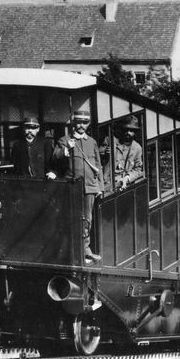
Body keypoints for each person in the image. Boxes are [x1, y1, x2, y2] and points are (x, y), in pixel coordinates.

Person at [52, 110, 104, 264]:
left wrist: (100, 186)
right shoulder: (65, 140)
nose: (81, 126)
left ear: (88, 124)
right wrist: (66, 149)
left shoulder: (91, 141)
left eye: (85, 123)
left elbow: (97, 164)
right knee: (72, 218)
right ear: (73, 124)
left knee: (87, 219)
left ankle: (86, 251)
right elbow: (55, 158)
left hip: (90, 187)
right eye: (78, 122)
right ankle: (73, 250)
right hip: (72, 186)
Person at [112, 115, 144, 189]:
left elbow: (137, 169)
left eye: (131, 131)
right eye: (126, 129)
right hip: (108, 183)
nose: (128, 132)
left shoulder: (137, 148)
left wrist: (127, 178)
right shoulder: (112, 142)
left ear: (135, 132)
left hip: (123, 184)